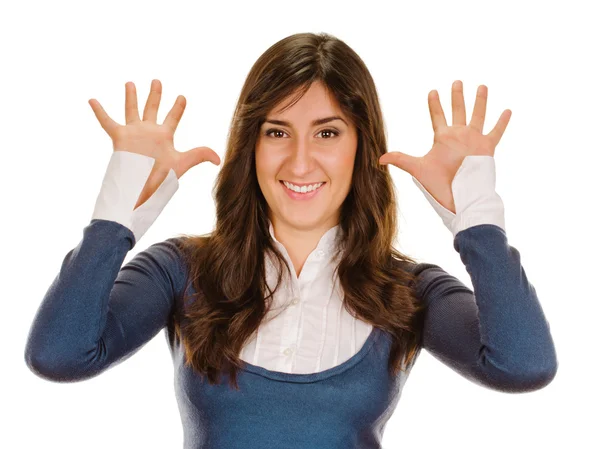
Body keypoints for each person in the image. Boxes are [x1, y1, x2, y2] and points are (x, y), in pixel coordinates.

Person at [24, 32, 558, 448]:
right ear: (250, 146)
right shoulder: (180, 271)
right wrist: (119, 213)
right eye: (276, 132)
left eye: (327, 133)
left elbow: (524, 365)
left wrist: (475, 219)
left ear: (361, 146)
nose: (300, 161)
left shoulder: (408, 291)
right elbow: (59, 355)